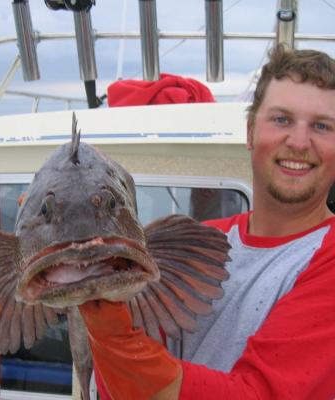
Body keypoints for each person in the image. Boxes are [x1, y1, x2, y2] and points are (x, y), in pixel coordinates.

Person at [78, 45, 335, 399]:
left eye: (322, 126)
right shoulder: (203, 242)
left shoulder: (328, 260)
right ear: (249, 133)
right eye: (282, 119)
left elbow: (259, 395)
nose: (299, 141)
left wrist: (111, 331)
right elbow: (125, 383)